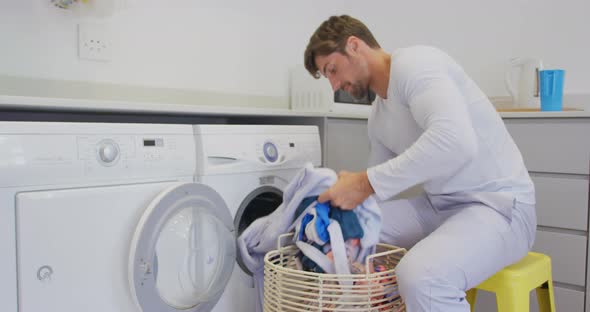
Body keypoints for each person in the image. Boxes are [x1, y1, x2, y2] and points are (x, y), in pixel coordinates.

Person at [305, 15, 536, 312]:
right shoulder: (378, 117)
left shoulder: (416, 65)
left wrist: (363, 182)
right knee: (342, 232)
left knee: (420, 276)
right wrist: (349, 233)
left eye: (332, 70)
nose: (335, 84)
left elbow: (457, 142)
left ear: (354, 45)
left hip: (500, 206)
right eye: (328, 77)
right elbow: (374, 194)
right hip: (439, 205)